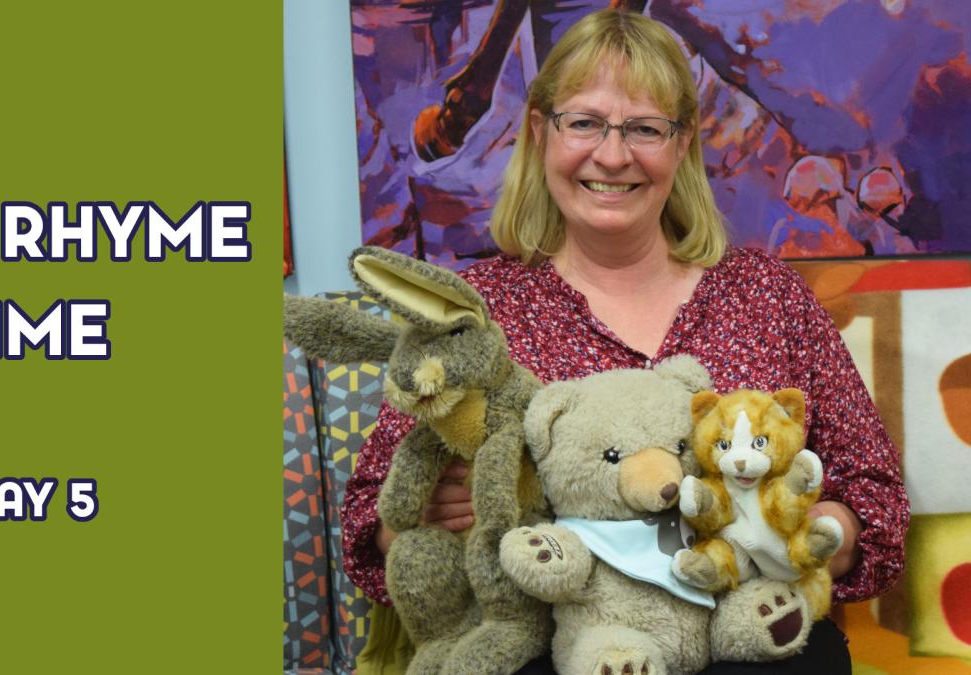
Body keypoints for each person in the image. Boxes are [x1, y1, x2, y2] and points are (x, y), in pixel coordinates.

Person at [341, 8, 908, 675]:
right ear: (540, 131)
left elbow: (876, 499)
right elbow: (369, 528)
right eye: (583, 122)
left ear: (683, 142)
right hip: (561, 649)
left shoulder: (767, 295)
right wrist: (424, 512)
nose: (612, 156)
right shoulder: (479, 312)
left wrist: (808, 535)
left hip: (746, 643)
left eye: (644, 128)